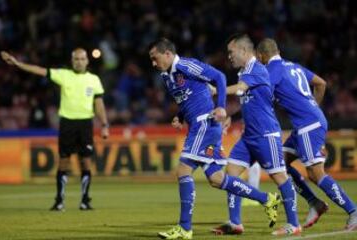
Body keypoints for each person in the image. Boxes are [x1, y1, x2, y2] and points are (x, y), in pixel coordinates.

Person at [149, 38, 280, 240]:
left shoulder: (185, 65)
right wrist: (180, 117)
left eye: (155, 58)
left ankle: (184, 228)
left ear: (167, 54)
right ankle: (266, 199)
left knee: (183, 169)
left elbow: (218, 76)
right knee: (216, 179)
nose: (153, 63)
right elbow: (187, 98)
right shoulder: (167, 77)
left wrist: (221, 106)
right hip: (201, 125)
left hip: (205, 123)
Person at [256, 38, 357, 231]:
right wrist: (312, 108)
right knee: (280, 162)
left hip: (308, 125)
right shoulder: (293, 66)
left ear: (261, 56)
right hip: (308, 122)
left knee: (316, 174)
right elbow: (321, 84)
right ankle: (315, 203)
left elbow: (262, 94)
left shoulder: (272, 70)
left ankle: (353, 211)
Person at [212, 34, 300, 236]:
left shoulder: (257, 69)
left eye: (231, 52)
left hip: (266, 134)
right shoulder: (244, 71)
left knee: (280, 177)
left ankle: (294, 224)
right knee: (231, 173)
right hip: (248, 135)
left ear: (243, 51)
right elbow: (246, 99)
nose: (229, 56)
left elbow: (241, 89)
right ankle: (235, 223)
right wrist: (230, 116)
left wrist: (216, 90)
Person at [0, 49, 109, 211]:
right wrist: (18, 64)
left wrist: (105, 124)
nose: (79, 61)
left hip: (85, 123)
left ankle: (85, 200)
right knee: (63, 162)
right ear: (72, 61)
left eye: (82, 59)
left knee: (85, 162)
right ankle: (59, 201)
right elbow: (40, 70)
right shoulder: (64, 75)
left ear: (87, 61)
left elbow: (99, 103)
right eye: (76, 59)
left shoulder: (94, 80)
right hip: (67, 123)